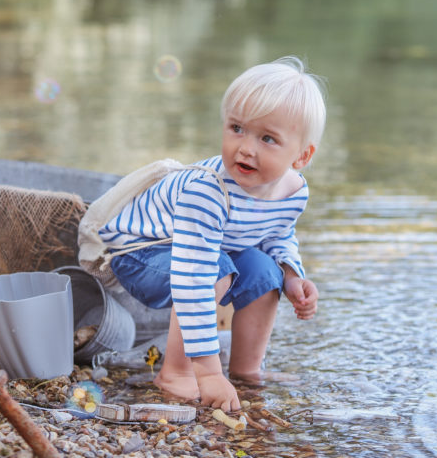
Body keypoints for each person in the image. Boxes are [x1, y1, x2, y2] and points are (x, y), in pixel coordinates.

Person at [99, 56, 326, 411]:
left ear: (301, 157)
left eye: (267, 138)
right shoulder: (209, 191)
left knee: (267, 273)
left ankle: (246, 370)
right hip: (140, 252)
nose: (246, 147)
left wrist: (293, 274)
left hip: (205, 251)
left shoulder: (294, 190)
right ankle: (175, 372)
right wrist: (206, 372)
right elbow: (194, 276)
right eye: (237, 128)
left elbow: (278, 234)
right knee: (216, 269)